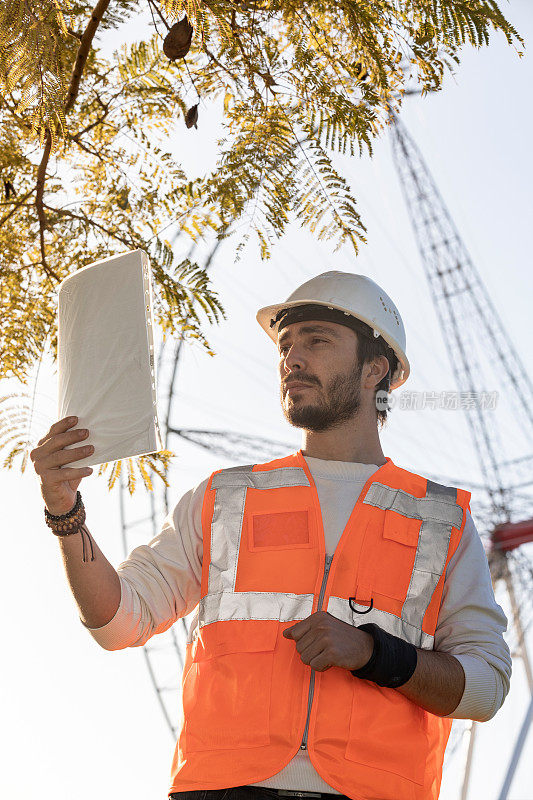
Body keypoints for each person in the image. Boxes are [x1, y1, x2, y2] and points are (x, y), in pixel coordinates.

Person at [32, 271, 511, 800]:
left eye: (317, 341)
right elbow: (116, 621)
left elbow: (484, 688)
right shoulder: (225, 498)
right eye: (286, 345)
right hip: (221, 790)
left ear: (377, 368)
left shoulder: (442, 522)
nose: (292, 359)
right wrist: (65, 511)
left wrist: (374, 654)